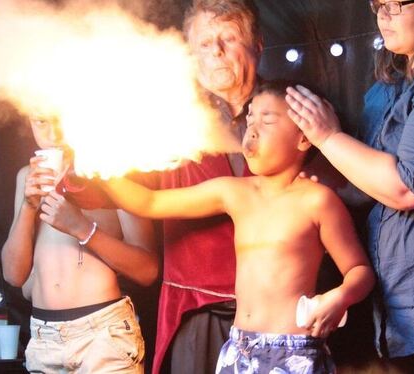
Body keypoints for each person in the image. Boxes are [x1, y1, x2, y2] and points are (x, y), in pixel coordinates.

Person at [103, 81, 375, 373]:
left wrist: (340, 297)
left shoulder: (317, 200)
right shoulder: (234, 192)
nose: (253, 129)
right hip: (238, 348)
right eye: (250, 119)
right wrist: (98, 167)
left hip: (293, 349)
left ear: (303, 138)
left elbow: (360, 271)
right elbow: (149, 203)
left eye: (268, 119)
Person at [285, 0, 414, 371]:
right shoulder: (385, 87)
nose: (384, 14)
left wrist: (328, 137)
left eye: (397, 3)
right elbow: (370, 187)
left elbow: (410, 188)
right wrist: (322, 182)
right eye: (379, 4)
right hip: (394, 311)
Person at [147, 1, 262, 373]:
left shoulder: (291, 109)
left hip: (278, 312)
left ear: (257, 45)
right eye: (204, 42)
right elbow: (124, 191)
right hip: (198, 312)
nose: (216, 51)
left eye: (229, 38)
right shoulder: (164, 114)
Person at [1, 117, 158, 373]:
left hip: (103, 333)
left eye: (60, 120)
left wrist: (82, 228)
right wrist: (28, 206)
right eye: (41, 122)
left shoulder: (114, 172)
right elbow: (13, 275)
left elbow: (148, 270)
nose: (53, 134)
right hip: (44, 335)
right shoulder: (26, 177)